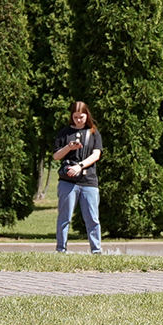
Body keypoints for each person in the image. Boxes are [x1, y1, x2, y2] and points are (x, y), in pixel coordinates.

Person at [48, 100, 105, 253]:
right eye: (76, 117)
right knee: (64, 217)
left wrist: (79, 166)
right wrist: (69, 147)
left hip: (89, 181)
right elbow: (56, 156)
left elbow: (96, 155)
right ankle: (61, 249)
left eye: (81, 117)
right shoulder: (64, 133)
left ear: (87, 116)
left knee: (92, 218)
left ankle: (96, 250)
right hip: (68, 182)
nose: (79, 120)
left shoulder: (94, 133)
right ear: (71, 116)